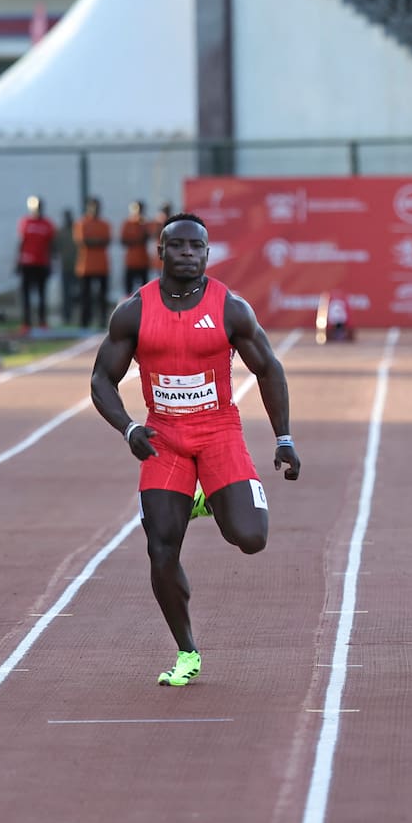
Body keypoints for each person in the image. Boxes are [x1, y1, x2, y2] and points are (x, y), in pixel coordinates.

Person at [89, 213, 301, 687]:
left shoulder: (231, 308)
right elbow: (102, 379)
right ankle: (187, 651)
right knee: (161, 548)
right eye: (178, 245)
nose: (187, 253)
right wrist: (127, 429)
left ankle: (208, 500)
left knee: (251, 537)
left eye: (197, 247)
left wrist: (283, 437)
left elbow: (269, 369)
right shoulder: (133, 312)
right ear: (161, 253)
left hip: (218, 430)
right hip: (163, 438)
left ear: (207, 254)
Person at [17, 195, 56, 331]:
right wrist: (18, 261)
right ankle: (26, 323)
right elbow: (21, 241)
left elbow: (51, 244)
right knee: (26, 295)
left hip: (42, 263)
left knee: (42, 294)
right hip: (27, 264)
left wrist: (50, 262)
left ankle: (42, 322)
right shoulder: (25, 222)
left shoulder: (47, 224)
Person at [74, 197, 112, 328]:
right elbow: (83, 241)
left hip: (102, 266)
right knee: (85, 297)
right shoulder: (82, 223)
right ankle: (85, 321)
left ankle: (102, 320)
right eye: (93, 206)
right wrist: (97, 241)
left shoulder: (104, 224)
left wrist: (93, 241)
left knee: (102, 296)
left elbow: (106, 241)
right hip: (86, 266)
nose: (95, 209)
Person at [119, 200, 151, 299]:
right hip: (131, 262)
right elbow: (123, 241)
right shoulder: (127, 223)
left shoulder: (146, 223)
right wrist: (137, 239)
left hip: (143, 261)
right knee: (128, 290)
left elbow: (148, 237)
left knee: (145, 291)